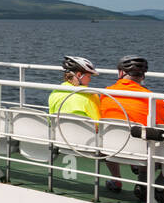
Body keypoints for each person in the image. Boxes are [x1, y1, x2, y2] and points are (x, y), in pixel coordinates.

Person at [99, 56, 164, 203]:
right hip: (141, 151)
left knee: (142, 137)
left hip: (111, 148)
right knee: (162, 140)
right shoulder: (151, 99)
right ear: (143, 76)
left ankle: (120, 180)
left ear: (120, 73)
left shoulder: (105, 94)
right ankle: (156, 187)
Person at [48, 56, 123, 192]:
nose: (90, 80)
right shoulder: (90, 96)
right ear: (78, 75)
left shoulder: (54, 92)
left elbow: (50, 120)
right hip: (87, 145)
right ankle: (117, 180)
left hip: (61, 139)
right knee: (109, 138)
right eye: (89, 76)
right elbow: (98, 125)